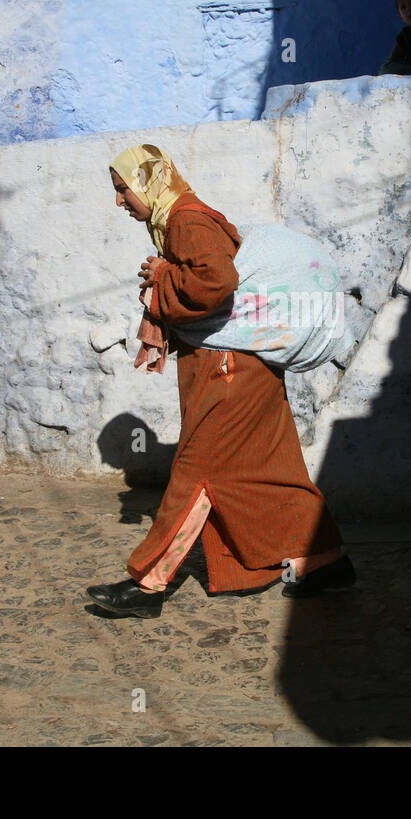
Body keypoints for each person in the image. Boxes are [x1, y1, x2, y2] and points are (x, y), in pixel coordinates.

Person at [87, 144, 355, 619]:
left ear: (148, 182)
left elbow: (216, 281)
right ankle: (325, 562)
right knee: (271, 467)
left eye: (123, 189)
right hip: (245, 366)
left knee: (197, 473)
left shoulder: (186, 220)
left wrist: (163, 273)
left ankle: (148, 585)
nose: (120, 201)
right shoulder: (180, 218)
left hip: (226, 369)